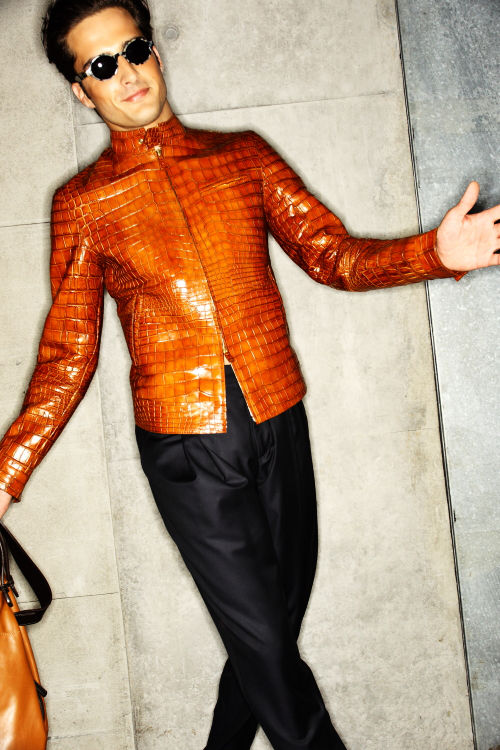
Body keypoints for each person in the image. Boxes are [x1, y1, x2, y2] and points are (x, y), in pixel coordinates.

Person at [0, 1, 499, 748]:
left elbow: (334, 257)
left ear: (154, 52)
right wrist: (8, 472)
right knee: (266, 645)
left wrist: (434, 254)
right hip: (185, 449)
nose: (126, 73)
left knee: (267, 638)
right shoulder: (84, 204)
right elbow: (70, 351)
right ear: (82, 90)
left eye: (133, 50)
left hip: (278, 419)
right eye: (101, 65)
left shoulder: (243, 156)